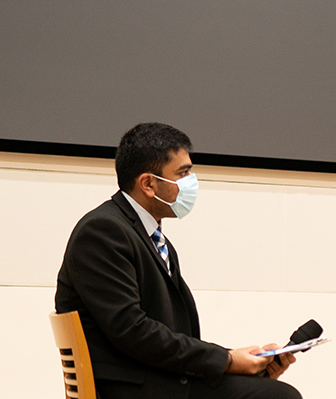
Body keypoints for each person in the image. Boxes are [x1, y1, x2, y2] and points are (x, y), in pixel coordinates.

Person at [55, 123, 301, 399]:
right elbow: (132, 331)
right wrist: (226, 361)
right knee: (278, 397)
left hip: (159, 379)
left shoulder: (148, 236)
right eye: (183, 173)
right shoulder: (103, 231)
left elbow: (168, 333)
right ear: (148, 183)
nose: (191, 182)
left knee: (267, 389)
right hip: (132, 388)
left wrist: (231, 364)